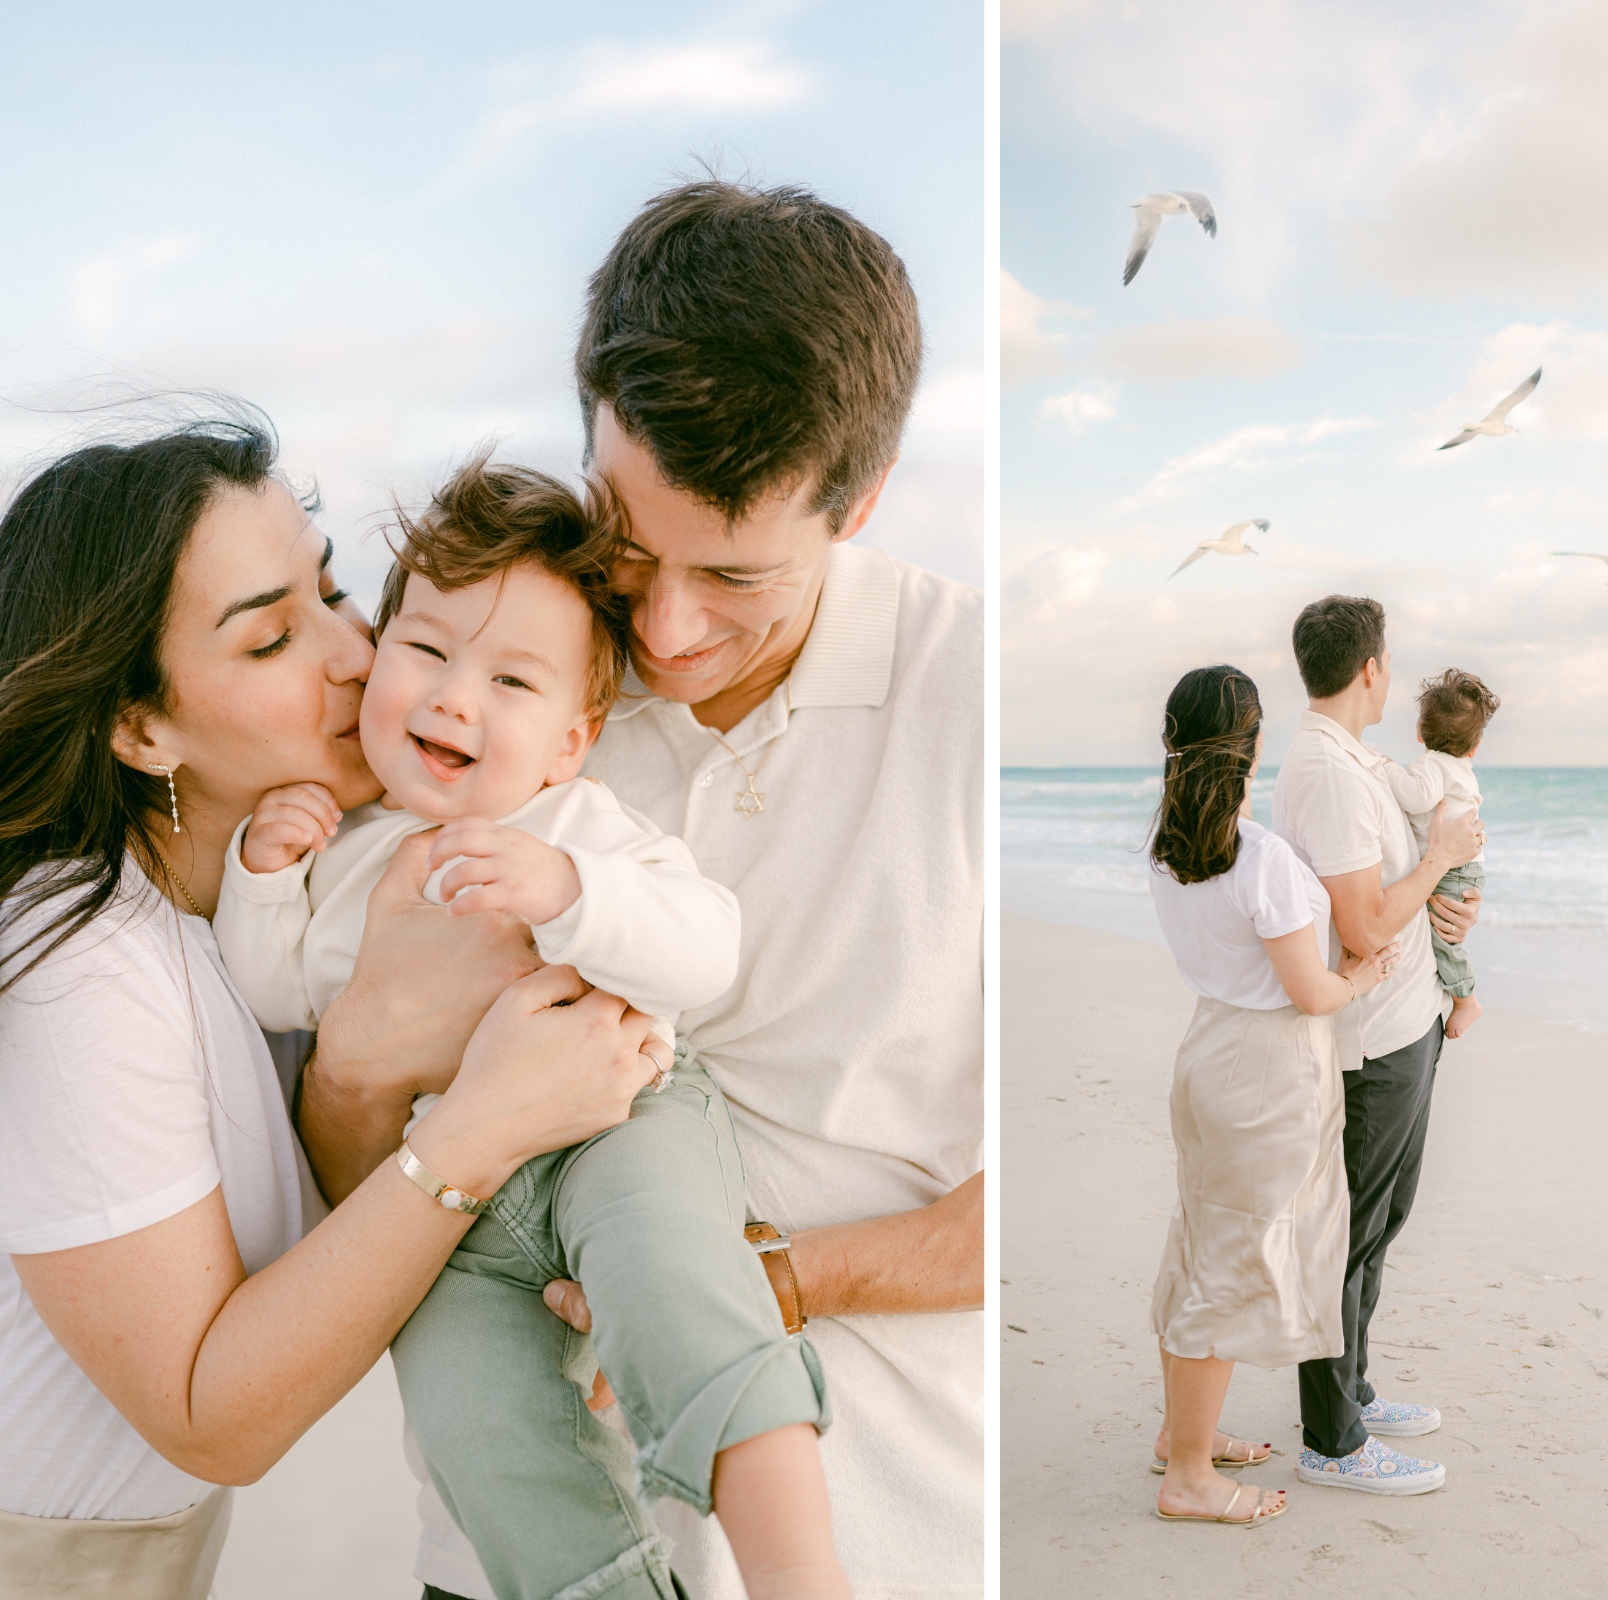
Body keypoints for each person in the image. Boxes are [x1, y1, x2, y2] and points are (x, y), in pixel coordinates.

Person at [301, 182, 985, 1600]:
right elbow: (338, 1175)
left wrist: (755, 1284)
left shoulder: (975, 693)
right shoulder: (487, 681)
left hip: (888, 1532)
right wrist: (360, 1069)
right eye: (630, 542)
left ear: (862, 498)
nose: (662, 630)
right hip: (502, 1559)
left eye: (736, 576)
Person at [0, 418, 652, 1600]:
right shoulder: (79, 964)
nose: (358, 654)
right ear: (140, 727)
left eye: (336, 591)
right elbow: (213, 1417)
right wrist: (484, 1124)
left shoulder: (273, 915)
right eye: (272, 637)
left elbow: (338, 1222)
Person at [211, 459, 842, 1600]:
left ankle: (801, 1576)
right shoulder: (349, 853)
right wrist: (263, 874)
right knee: (477, 1429)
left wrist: (567, 890)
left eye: (512, 680)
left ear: (570, 738)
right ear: (380, 652)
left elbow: (705, 946)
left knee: (683, 1292)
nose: (457, 697)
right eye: (428, 650)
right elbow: (276, 995)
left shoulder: (577, 823)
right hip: (451, 1209)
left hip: (619, 1120)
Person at [1143, 666, 1397, 1529]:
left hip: (1208, 1050)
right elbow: (1311, 993)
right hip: (1265, 1070)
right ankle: (1187, 1474)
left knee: (1202, 1240)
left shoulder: (1171, 847)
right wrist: (1362, 972)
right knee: (1232, 1260)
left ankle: (1180, 1436)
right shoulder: (1265, 861)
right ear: (1252, 745)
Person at [1272, 595, 1484, 1496]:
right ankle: (1334, 1439)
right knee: (1348, 1234)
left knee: (1382, 1224)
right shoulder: (1331, 772)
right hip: (1369, 1040)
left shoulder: (1360, 763)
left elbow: (1397, 891)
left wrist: (1448, 905)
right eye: (1388, 659)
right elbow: (1360, 926)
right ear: (1371, 669)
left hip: (1411, 1020)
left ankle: (1353, 1388)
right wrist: (1437, 863)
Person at [1377, 668, 1499, 1040]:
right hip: (1466, 868)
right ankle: (1460, 996)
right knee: (1443, 933)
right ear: (1474, 746)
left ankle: (1465, 999)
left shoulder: (1432, 765)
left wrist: (1388, 772)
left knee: (1441, 939)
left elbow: (1417, 796)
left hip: (1453, 868)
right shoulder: (1462, 768)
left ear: (1420, 732)